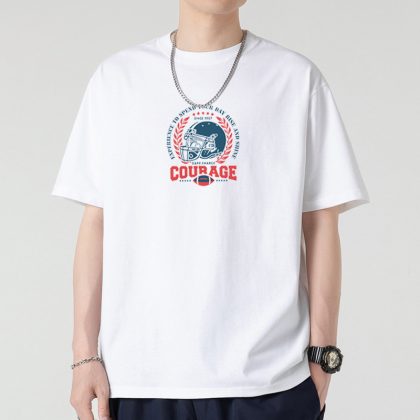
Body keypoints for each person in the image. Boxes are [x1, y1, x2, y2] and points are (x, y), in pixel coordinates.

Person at [51, 1, 370, 419]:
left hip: (272, 380)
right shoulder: (117, 79)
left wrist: (323, 357)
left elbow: (321, 220)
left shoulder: (294, 79)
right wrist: (83, 356)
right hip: (141, 377)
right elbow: (97, 221)